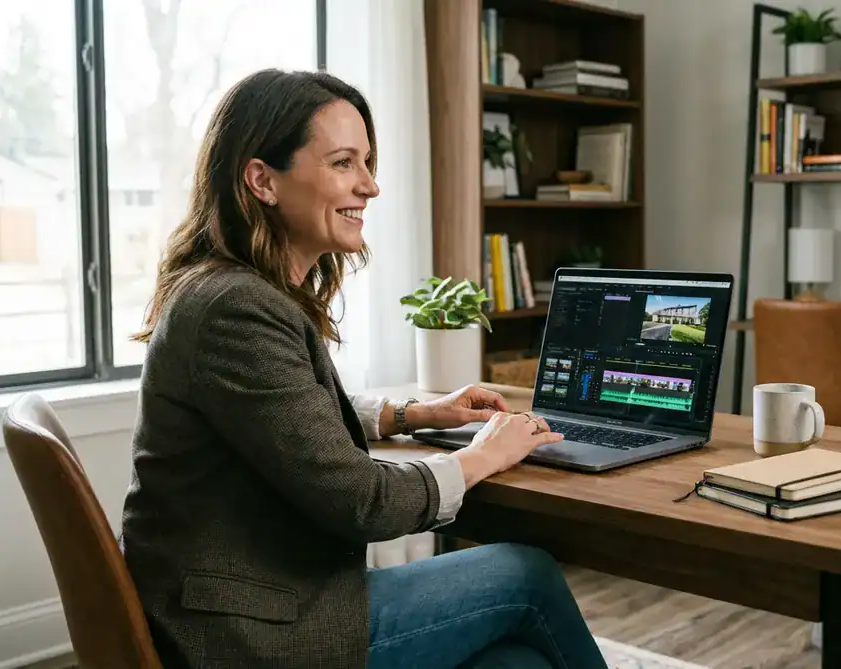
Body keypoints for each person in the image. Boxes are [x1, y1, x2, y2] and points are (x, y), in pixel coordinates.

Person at [118, 68, 609, 669]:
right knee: (525, 573)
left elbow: (284, 415)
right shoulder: (235, 308)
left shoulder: (232, 291)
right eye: (344, 163)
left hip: (245, 599)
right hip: (246, 633)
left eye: (367, 162)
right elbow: (362, 502)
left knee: (516, 666)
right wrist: (483, 455)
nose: (371, 187)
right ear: (261, 180)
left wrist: (414, 415)